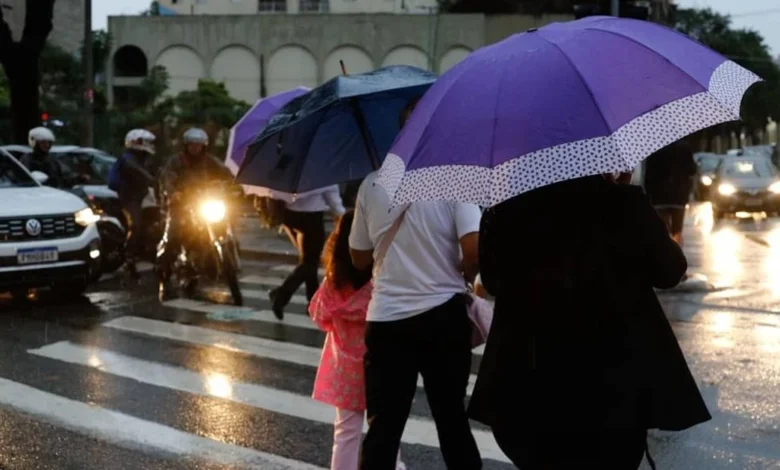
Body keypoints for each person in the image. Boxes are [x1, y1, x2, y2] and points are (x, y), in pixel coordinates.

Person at [468, 174, 712, 470]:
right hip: (614, 380)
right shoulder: (623, 203)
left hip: (530, 376)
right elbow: (670, 271)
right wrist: (630, 202)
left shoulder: (507, 209)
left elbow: (492, 281)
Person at [349, 98, 482, 470]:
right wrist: (463, 272)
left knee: (384, 426)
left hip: (387, 320)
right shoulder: (456, 179)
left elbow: (358, 258)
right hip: (444, 319)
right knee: (451, 418)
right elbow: (473, 248)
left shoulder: (372, 183)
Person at [309, 210, 405, 470]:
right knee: (385, 430)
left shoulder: (334, 283)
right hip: (379, 367)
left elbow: (319, 315)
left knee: (346, 432)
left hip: (343, 372)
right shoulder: (380, 284)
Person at [156, 127, 239, 300]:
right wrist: (173, 192)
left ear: (204, 146)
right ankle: (164, 267)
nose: (195, 148)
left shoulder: (210, 161)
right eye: (192, 145)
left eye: (199, 145)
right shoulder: (176, 161)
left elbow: (226, 174)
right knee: (174, 235)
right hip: (182, 205)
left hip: (204, 202)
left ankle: (225, 263)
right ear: (186, 146)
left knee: (226, 222)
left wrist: (236, 185)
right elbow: (167, 178)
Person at [269, 185, 345, 320]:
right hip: (311, 217)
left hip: (290, 215)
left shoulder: (293, 172)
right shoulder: (321, 173)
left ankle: (313, 301)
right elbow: (332, 196)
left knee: (309, 260)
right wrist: (343, 217)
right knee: (310, 261)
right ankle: (281, 295)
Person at [114, 129, 157, 280]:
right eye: (147, 142)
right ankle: (128, 258)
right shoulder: (128, 159)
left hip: (143, 196)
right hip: (129, 198)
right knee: (135, 224)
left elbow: (159, 172)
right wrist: (151, 178)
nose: (150, 145)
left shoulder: (145, 158)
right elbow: (139, 172)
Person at [644, 140, 698, 247]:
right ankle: (676, 251)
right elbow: (692, 170)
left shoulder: (654, 148)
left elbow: (648, 174)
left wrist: (648, 193)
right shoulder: (684, 148)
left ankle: (665, 249)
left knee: (662, 229)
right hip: (679, 194)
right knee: (677, 230)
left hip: (658, 195)